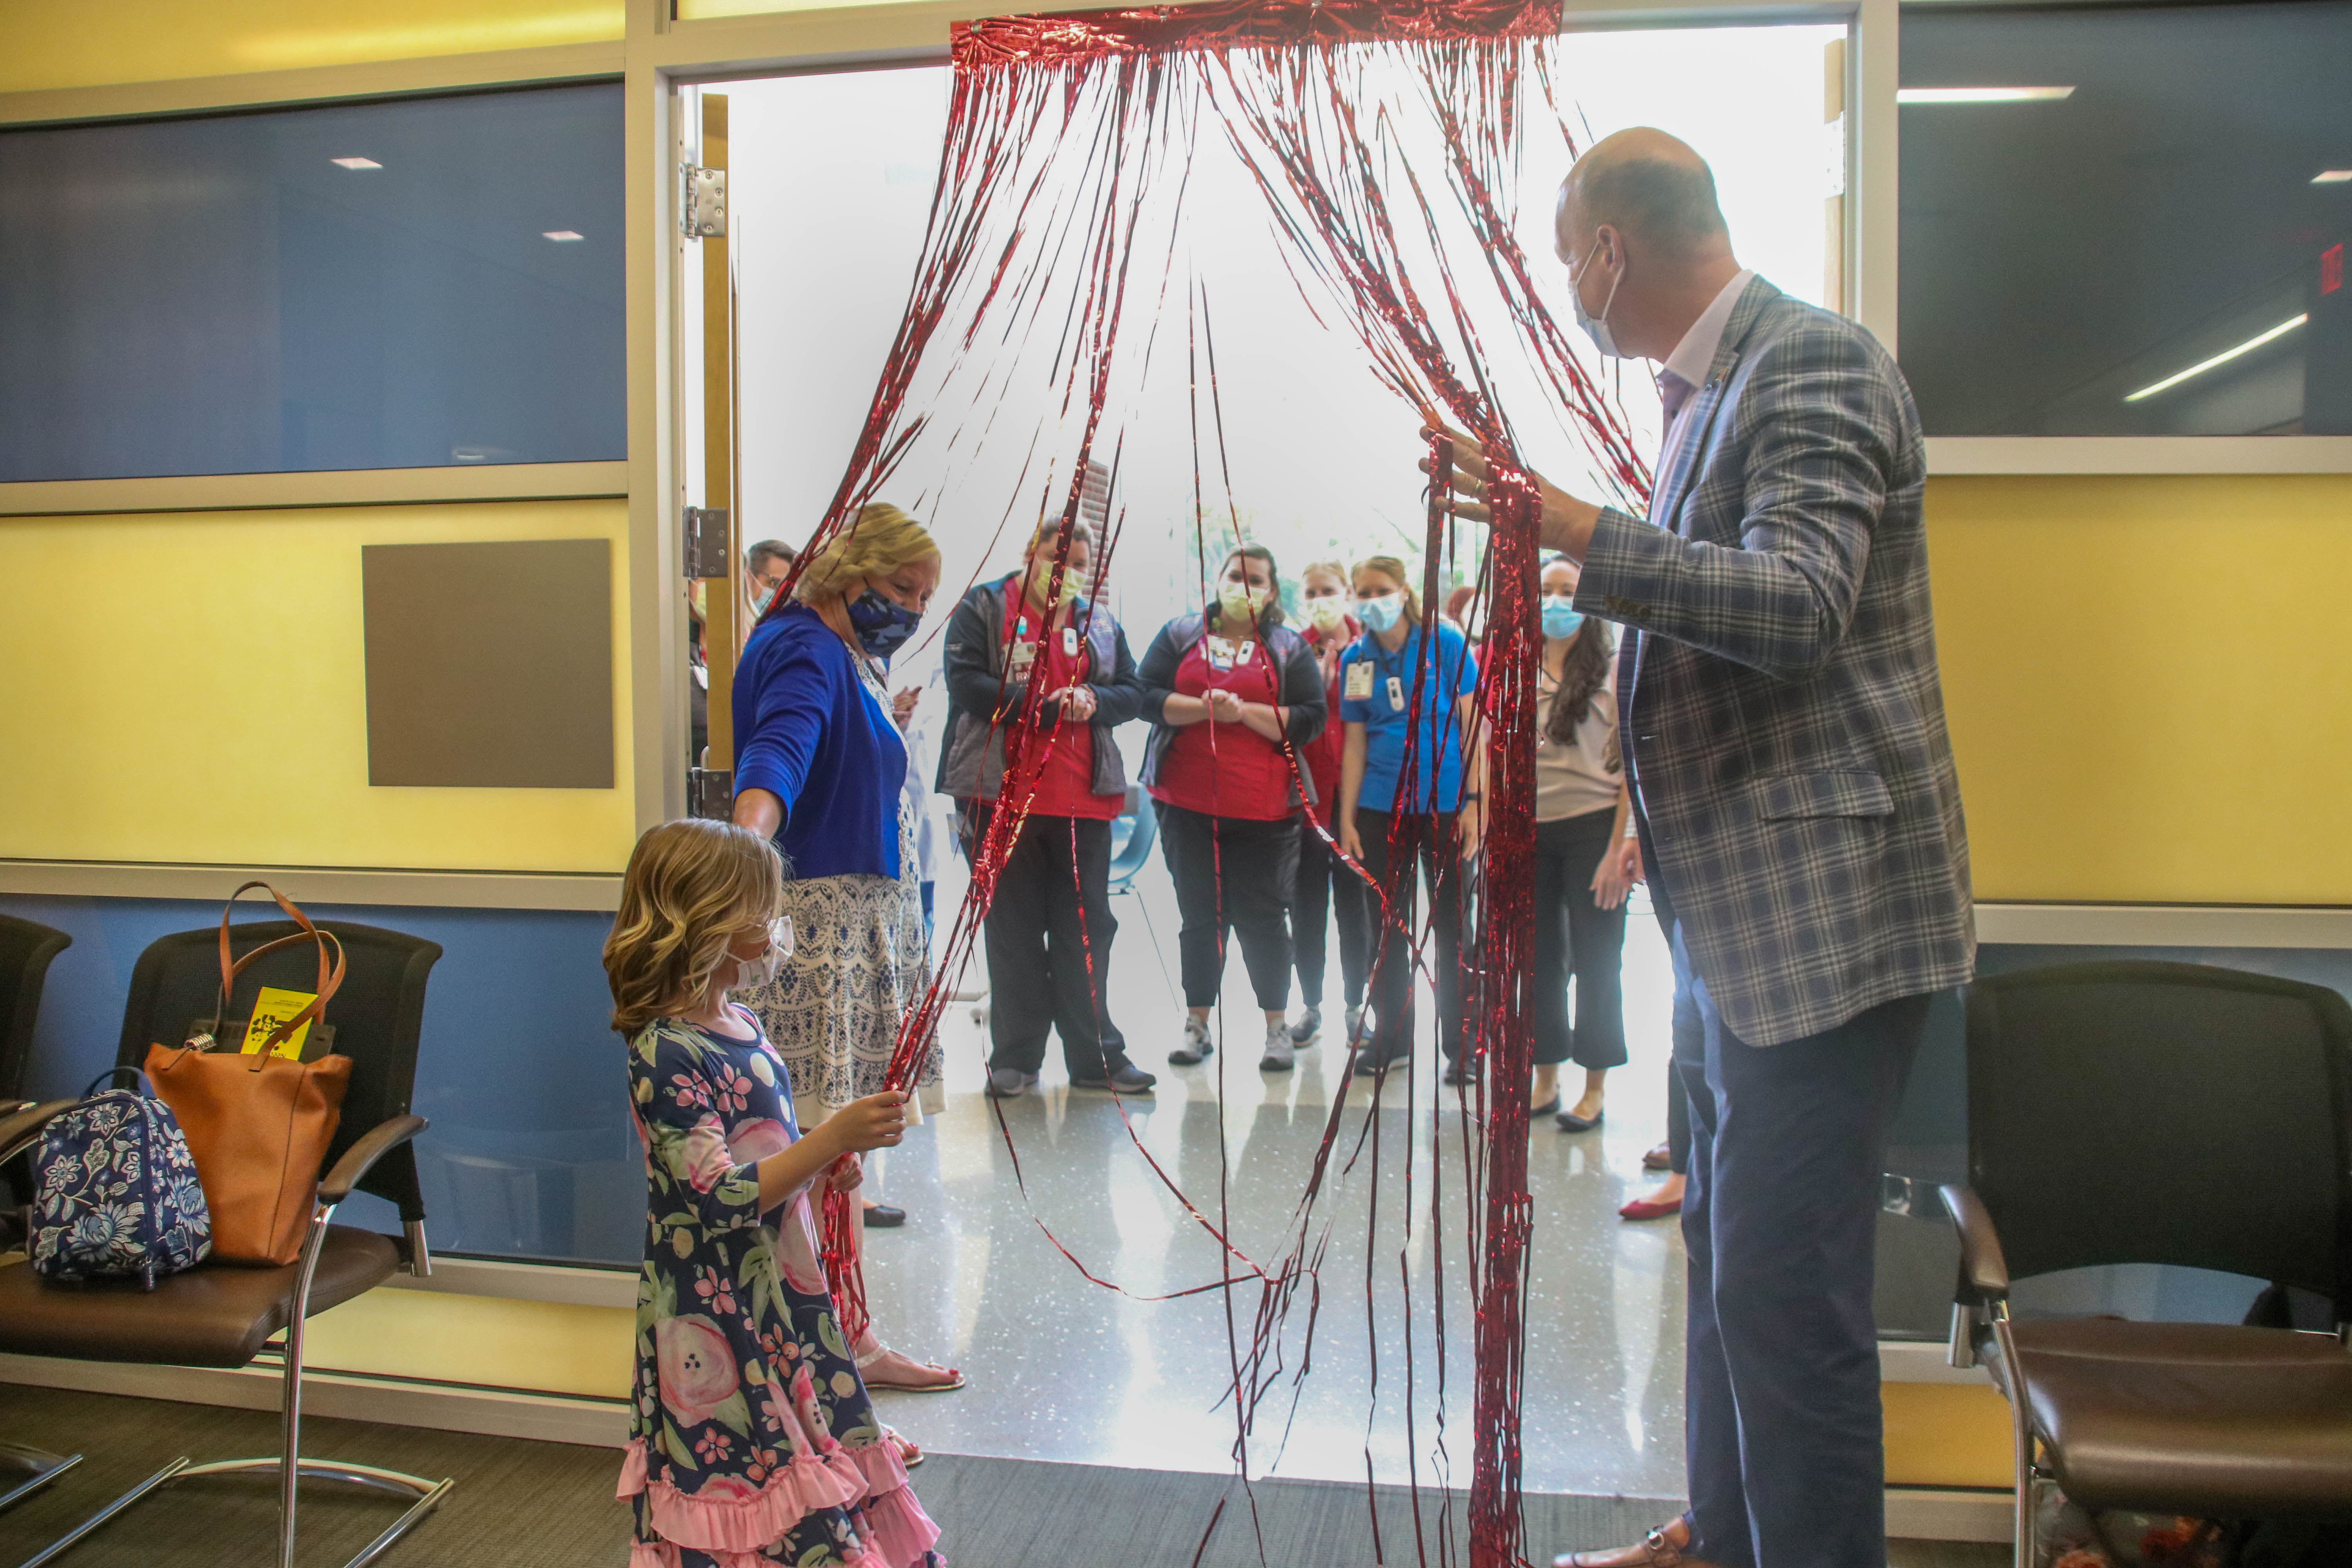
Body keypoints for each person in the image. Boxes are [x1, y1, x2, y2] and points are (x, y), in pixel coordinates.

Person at [1425, 129, 1973, 1568]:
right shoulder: (1708, 395)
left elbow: (1796, 606)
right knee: (1735, 1276)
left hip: (1824, 922)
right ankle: (1724, 1539)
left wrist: (1584, 531)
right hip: (1737, 919)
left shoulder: (1808, 362)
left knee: (1788, 1299)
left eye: (1564, 260)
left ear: (1610, 246)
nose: (1566, 291)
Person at [604, 818, 942, 1568]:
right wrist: (830, 1138)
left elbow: (760, 1150)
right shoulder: (665, 1051)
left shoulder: (744, 1024)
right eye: (763, 909)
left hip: (781, 1292)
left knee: (803, 1453)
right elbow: (717, 1198)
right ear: (706, 920)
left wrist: (820, 1167)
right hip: (717, 1314)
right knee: (755, 1472)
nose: (777, 926)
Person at [730, 501, 963, 1393]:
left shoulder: (846, 653)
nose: (909, 607)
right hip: (824, 935)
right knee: (812, 1150)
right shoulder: (804, 645)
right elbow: (776, 755)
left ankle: (844, 1344)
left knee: (836, 1157)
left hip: (859, 922)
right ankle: (816, 1362)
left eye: (922, 596)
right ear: (851, 569)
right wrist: (744, 848)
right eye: (901, 587)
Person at [939, 517, 1156, 1097]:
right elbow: (965, 684)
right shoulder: (985, 607)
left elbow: (1133, 692)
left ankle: (1096, 1059)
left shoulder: (1100, 623)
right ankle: (1016, 1057)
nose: (1069, 572)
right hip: (997, 798)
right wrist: (1041, 707)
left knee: (1086, 930)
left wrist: (1093, 697)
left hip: (1083, 800)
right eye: (1058, 557)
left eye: (1081, 564)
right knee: (1012, 928)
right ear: (1030, 552)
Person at [1138, 543, 1327, 1073]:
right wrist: (1201, 709)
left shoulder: (1289, 648)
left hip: (1266, 811)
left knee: (1265, 921)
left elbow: (1311, 717)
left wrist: (1246, 714)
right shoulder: (1181, 635)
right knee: (1201, 918)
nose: (1245, 587)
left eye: (1258, 580)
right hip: (1186, 804)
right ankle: (1197, 1026)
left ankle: (1276, 1029)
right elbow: (1144, 696)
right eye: (1235, 576)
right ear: (1216, 580)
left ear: (1271, 593)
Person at [1336, 555, 1483, 1082]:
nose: (1372, 599)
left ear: (1403, 591)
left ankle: (1462, 1046)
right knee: (1386, 929)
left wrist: (1474, 801)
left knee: (1452, 928)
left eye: (1381, 588)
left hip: (1445, 805)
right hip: (1380, 808)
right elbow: (1354, 742)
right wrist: (1348, 818)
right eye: (1363, 591)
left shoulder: (1445, 645)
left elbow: (1472, 727)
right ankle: (1393, 1039)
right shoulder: (1356, 659)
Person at [1530, 555, 1635, 1129]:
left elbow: (1630, 771)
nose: (1555, 602)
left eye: (1568, 591)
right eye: (1546, 590)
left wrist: (1619, 848)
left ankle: (1593, 1088)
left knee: (1598, 961)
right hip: (1532, 832)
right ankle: (1545, 1078)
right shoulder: (1517, 665)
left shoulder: (1614, 668)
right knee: (1539, 959)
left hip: (1595, 829)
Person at [1287, 561, 1370, 1049]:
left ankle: (1357, 1006)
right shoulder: (1291, 650)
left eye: (1330, 590)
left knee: (1355, 907)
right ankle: (1312, 1005)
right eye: (1313, 591)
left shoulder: (1369, 648)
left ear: (1346, 594)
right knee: (1307, 906)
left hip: (1357, 802)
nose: (1322, 599)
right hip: (1305, 800)